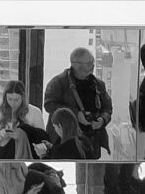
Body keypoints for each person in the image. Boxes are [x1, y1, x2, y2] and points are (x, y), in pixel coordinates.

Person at [41, 45, 112, 191]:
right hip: (65, 138)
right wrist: (75, 114)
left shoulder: (98, 84)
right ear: (76, 65)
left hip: (91, 140)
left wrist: (102, 120)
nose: (92, 66)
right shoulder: (58, 83)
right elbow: (49, 105)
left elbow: (107, 108)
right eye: (89, 63)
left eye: (92, 62)